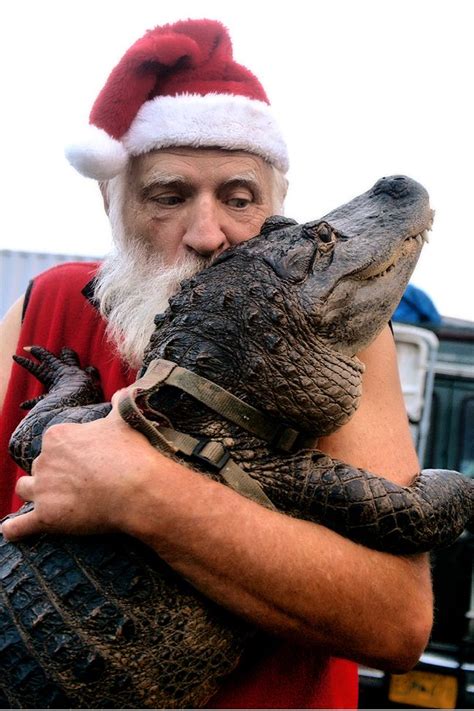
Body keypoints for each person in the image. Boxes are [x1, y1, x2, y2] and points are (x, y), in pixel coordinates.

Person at [0, 18, 432, 709]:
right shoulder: (47, 305)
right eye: (168, 197)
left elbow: (397, 621)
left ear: (276, 210)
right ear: (113, 204)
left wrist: (144, 494)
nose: (208, 235)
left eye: (239, 198)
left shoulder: (340, 339)